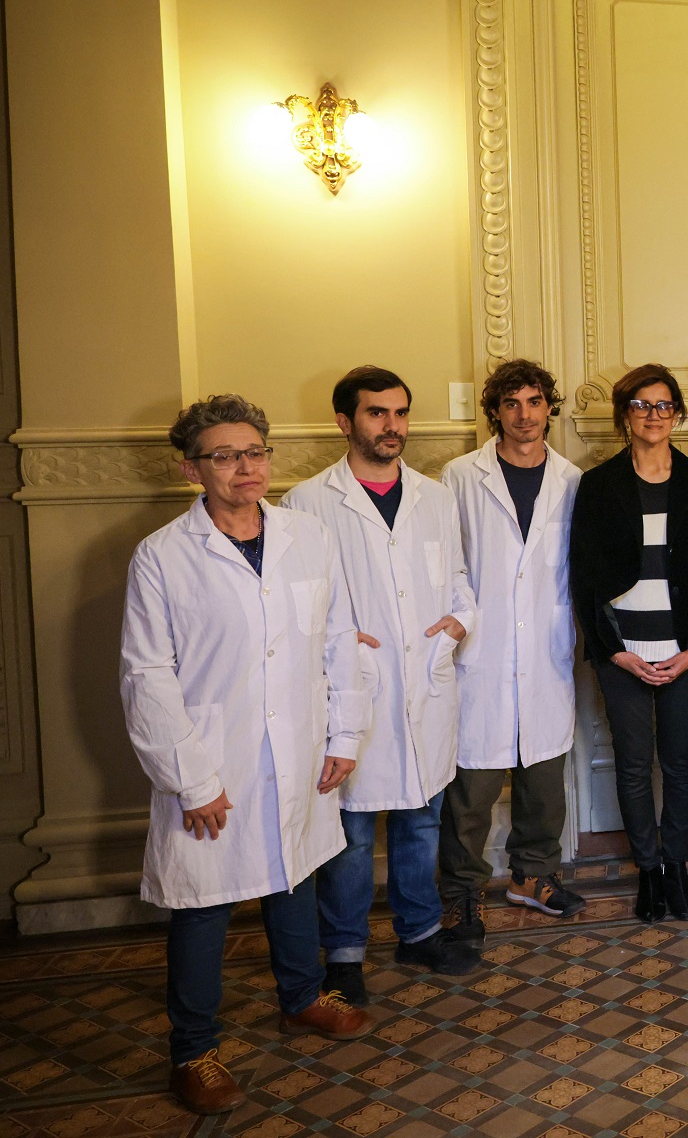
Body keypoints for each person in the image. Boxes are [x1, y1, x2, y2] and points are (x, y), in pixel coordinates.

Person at [123, 396, 373, 1115]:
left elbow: (339, 639)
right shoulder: (164, 555)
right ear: (191, 467)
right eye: (225, 455)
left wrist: (345, 734)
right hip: (213, 755)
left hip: (297, 745)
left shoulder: (308, 536)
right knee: (203, 905)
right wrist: (191, 778)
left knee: (292, 874)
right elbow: (147, 675)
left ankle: (300, 997)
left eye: (255, 451)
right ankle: (193, 1049)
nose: (245, 467)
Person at [284, 367, 479, 1003]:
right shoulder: (307, 503)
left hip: (425, 680)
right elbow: (295, 606)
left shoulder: (435, 496)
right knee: (353, 829)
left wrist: (459, 620)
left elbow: (457, 579)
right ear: (346, 422)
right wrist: (336, 644)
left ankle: (419, 930)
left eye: (400, 412)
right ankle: (344, 951)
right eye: (377, 414)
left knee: (423, 819)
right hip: (354, 689)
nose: (392, 426)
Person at [570, 364, 688, 923]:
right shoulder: (598, 485)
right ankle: (648, 870)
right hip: (623, 653)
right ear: (624, 416)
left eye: (663, 406)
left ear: (678, 414)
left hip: (684, 650)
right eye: (641, 406)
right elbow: (585, 578)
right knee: (635, 764)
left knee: (680, 762)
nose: (653, 415)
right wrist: (614, 652)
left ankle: (677, 865)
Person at [438, 359, 585, 944]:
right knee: (471, 790)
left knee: (544, 784)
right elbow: (444, 563)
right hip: (483, 650)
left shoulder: (572, 480)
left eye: (534, 402)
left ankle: (534, 877)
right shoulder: (458, 477)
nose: (525, 415)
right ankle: (462, 895)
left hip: (547, 650)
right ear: (494, 411)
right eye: (511, 404)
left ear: (549, 406)